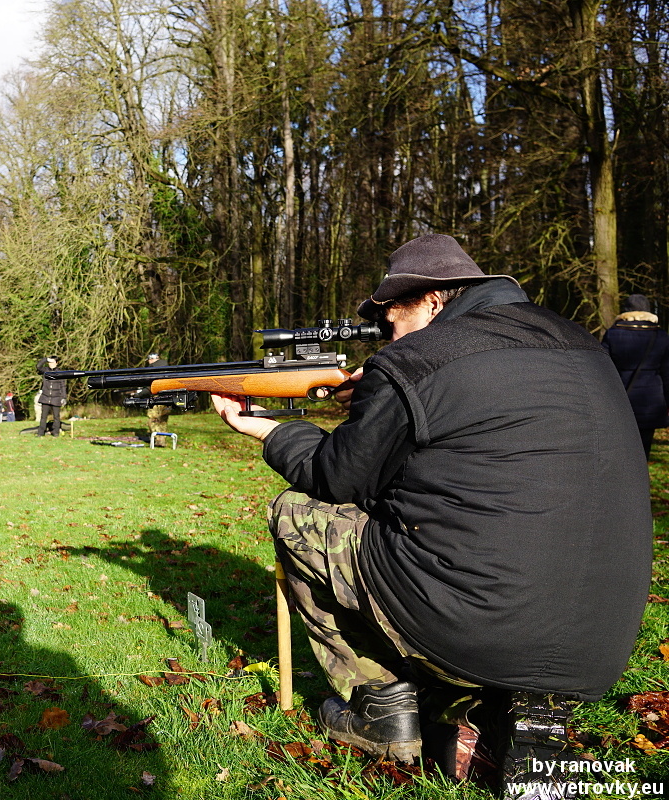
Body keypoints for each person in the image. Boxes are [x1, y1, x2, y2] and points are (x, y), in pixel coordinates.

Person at [212, 234, 651, 789]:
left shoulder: (418, 359)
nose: (388, 337)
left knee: (297, 512)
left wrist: (268, 430)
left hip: (477, 626)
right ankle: (506, 708)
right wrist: (380, 396)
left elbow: (336, 478)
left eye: (391, 322)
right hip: (597, 645)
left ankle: (382, 707)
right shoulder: (579, 342)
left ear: (432, 300)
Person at [602, 294, 669, 460]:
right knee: (644, 449)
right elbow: (667, 374)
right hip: (651, 402)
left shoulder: (613, 334)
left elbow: (603, 370)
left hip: (621, 400)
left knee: (622, 448)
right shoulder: (660, 335)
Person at [35, 357, 67, 436]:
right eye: (49, 362)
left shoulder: (60, 373)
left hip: (56, 398)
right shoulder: (45, 370)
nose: (50, 364)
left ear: (56, 363)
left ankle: (56, 432)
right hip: (45, 397)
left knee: (56, 417)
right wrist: (45, 359)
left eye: (52, 362)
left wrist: (64, 397)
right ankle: (41, 433)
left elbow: (63, 386)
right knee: (43, 417)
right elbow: (38, 366)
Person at [142, 353, 171, 434]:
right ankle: (162, 437)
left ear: (151, 359)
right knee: (163, 419)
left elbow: (149, 385)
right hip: (168, 397)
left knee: (153, 418)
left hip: (155, 397)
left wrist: (140, 394)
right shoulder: (167, 367)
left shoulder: (151, 368)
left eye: (148, 360)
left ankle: (155, 438)